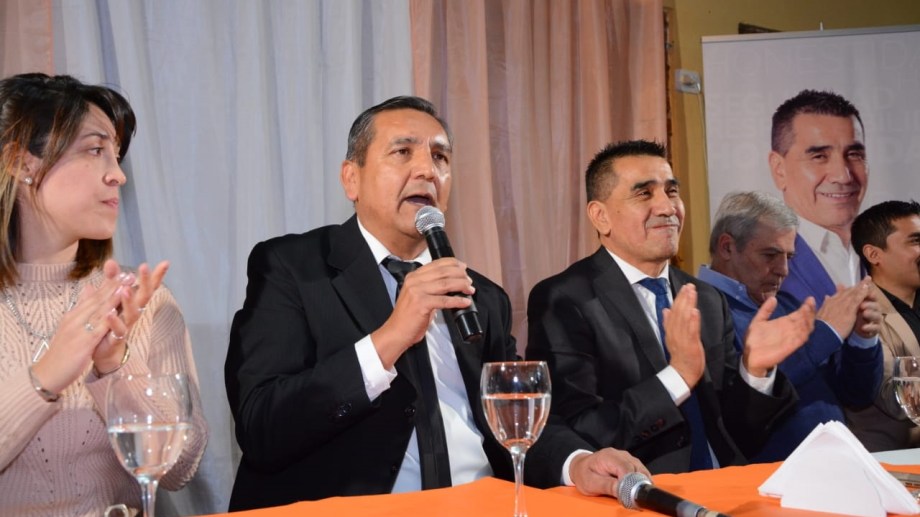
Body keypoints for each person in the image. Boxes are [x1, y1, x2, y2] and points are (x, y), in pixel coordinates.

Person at [224, 96, 650, 511]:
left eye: (440, 157)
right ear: (351, 179)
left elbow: (513, 421)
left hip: (481, 505)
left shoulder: (482, 297)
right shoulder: (292, 268)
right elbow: (262, 426)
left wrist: (577, 463)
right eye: (402, 152)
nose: (427, 170)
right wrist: (391, 336)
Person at [527, 140, 816, 474]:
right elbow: (582, 432)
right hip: (644, 490)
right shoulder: (564, 299)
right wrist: (677, 377)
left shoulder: (706, 298)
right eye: (644, 193)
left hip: (724, 485)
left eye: (672, 191)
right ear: (600, 216)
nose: (667, 208)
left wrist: (755, 371)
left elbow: (737, 433)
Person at [0, 73, 207, 516]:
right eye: (95, 150)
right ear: (22, 163)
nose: (118, 175)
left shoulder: (143, 300)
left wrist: (116, 365)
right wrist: (45, 377)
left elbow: (181, 468)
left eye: (116, 155)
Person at [699, 191, 882, 461]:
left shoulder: (788, 304)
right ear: (727, 247)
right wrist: (825, 332)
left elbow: (857, 394)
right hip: (768, 476)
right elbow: (741, 400)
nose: (783, 270)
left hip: (835, 465)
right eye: (770, 255)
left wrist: (862, 339)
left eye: (789, 256)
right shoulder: (698, 308)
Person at [769, 89, 868, 305]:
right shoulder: (756, 268)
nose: (843, 176)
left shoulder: (893, 252)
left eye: (854, 155)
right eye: (819, 156)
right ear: (779, 170)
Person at [847, 200, 920, 451]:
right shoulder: (859, 312)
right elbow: (897, 399)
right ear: (874, 254)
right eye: (915, 240)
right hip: (892, 459)